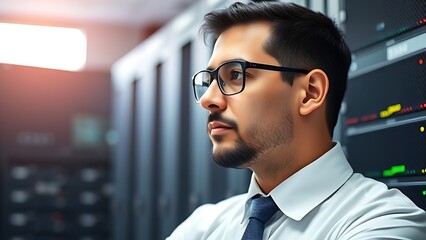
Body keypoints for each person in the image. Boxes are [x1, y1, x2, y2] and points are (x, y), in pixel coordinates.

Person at [167, 1, 426, 239]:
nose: (207, 99)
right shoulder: (204, 226)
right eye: (209, 80)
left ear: (310, 93)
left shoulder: (383, 222)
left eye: (235, 74)